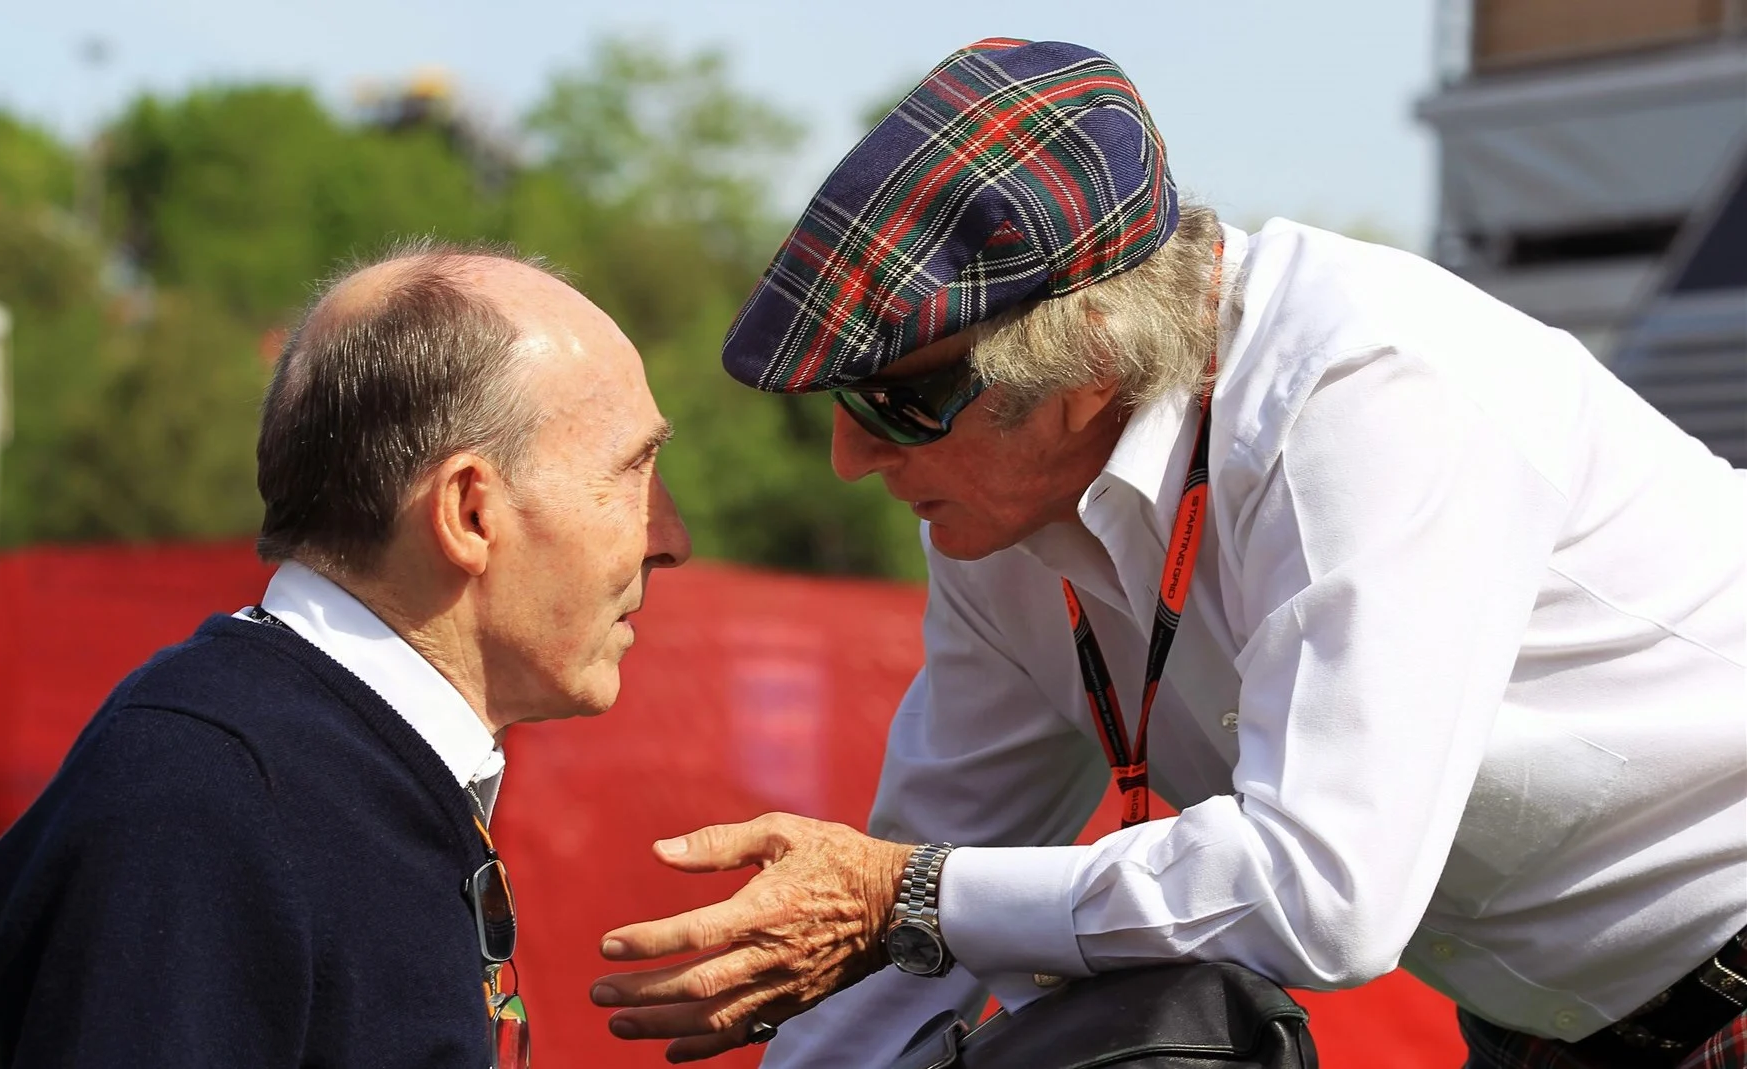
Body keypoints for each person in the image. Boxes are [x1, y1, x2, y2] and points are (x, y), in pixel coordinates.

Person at [587, 38, 1747, 1069]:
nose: (850, 456)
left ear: (1087, 344)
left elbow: (1324, 894)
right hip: (1550, 1025)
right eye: (838, 401)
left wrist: (913, 896)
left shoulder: (1364, 388)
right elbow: (917, 886)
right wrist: (901, 907)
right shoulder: (994, 494)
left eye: (899, 398)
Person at [0, 241, 691, 1066]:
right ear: (470, 513)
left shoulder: (309, 769)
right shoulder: (205, 795)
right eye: (634, 471)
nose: (671, 537)